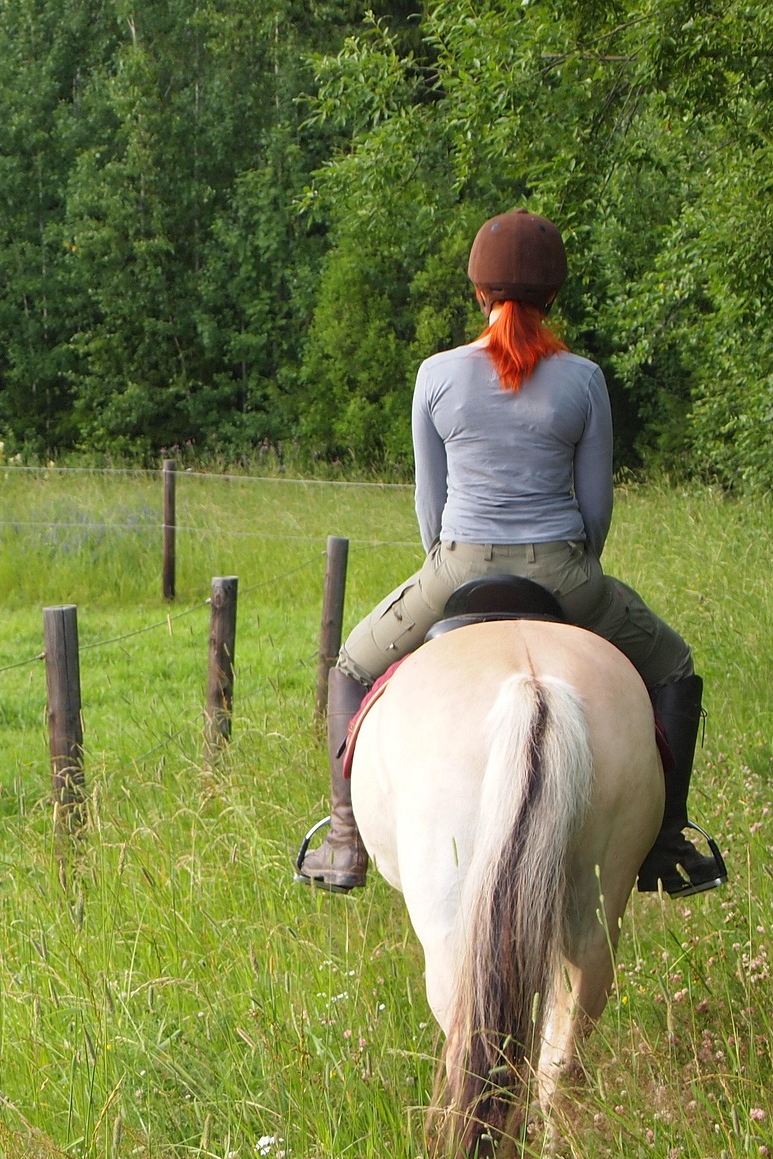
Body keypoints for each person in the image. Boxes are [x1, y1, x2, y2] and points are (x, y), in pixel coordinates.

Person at [297, 209, 725, 898]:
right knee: (673, 665)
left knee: (351, 663)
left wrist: (450, 565)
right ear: (553, 296)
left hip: (458, 566)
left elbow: (429, 507)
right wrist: (577, 574)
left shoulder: (436, 375)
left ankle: (345, 840)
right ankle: (668, 841)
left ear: (478, 292)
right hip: (564, 569)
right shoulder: (584, 380)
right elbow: (597, 509)